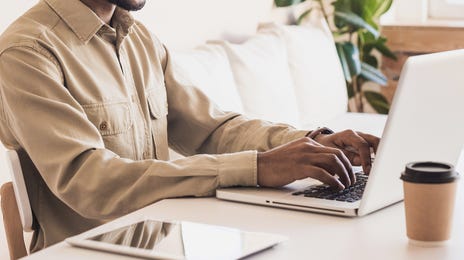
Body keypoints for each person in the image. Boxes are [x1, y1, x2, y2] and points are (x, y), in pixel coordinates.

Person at [0, 0, 379, 252]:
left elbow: (212, 128)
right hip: (92, 254)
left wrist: (312, 143)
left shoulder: (140, 39)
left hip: (170, 243)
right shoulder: (27, 53)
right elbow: (89, 180)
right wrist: (257, 168)